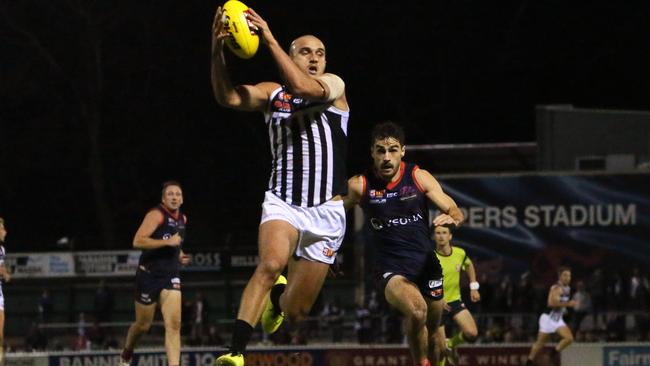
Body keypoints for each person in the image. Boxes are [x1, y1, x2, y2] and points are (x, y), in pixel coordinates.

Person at [211, 5, 349, 366]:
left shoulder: (334, 87)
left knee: (298, 312)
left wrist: (268, 37)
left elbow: (304, 86)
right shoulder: (273, 94)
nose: (315, 58)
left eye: (320, 52)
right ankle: (236, 352)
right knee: (270, 265)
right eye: (305, 51)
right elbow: (227, 97)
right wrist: (217, 52)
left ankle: (276, 302)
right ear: (290, 56)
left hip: (326, 211)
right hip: (283, 201)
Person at [344, 121, 464, 366]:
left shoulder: (418, 177)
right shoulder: (360, 184)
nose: (386, 157)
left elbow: (453, 208)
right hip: (391, 269)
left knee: (437, 339)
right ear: (372, 153)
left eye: (393, 150)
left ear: (403, 151)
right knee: (417, 310)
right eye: (380, 150)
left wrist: (453, 217)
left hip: (427, 266)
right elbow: (327, 215)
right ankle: (421, 363)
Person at [119, 181, 191, 366]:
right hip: (148, 276)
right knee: (143, 325)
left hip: (170, 276)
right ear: (163, 198)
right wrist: (167, 243)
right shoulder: (156, 215)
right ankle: (127, 352)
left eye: (178, 194)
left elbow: (175, 243)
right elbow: (137, 241)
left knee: (174, 326)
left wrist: (180, 255)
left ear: (182, 199)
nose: (174, 197)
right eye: (170, 194)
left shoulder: (183, 219)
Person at [433, 226, 480, 366]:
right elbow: (422, 282)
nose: (441, 236)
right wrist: (437, 298)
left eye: (444, 233)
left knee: (472, 333)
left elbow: (469, 265)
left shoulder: (460, 253)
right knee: (439, 351)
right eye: (438, 233)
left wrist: (473, 287)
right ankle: (444, 348)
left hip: (455, 301)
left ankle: (451, 343)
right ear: (434, 236)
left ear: (450, 236)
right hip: (437, 305)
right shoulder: (430, 257)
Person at [524, 266, 576, 366]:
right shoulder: (556, 287)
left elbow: (560, 303)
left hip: (557, 318)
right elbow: (551, 303)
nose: (567, 277)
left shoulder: (567, 288)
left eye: (569, 275)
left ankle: (552, 354)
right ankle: (529, 362)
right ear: (560, 276)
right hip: (548, 318)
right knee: (540, 343)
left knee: (569, 339)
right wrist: (568, 304)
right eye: (565, 275)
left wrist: (564, 309)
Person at [0, 217, 11, 365]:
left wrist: (5, 273)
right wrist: (5, 274)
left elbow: (1, 266)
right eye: (2, 229)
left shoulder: (2, 249)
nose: (5, 232)